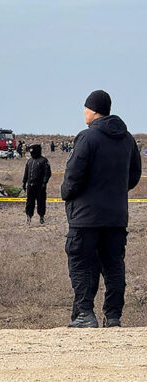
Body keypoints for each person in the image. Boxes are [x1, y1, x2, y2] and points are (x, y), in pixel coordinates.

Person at [61, 90, 141, 328]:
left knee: (82, 264)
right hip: (116, 217)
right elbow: (134, 175)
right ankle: (113, 316)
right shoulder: (127, 139)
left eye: (85, 108)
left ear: (93, 110)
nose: (84, 112)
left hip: (86, 218)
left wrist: (67, 193)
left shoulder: (87, 138)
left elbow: (74, 174)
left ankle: (85, 314)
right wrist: (115, 192)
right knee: (114, 265)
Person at [22, 144, 51, 225]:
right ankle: (28, 217)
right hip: (30, 186)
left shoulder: (43, 161)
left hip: (40, 186)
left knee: (41, 202)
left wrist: (44, 183)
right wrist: (24, 182)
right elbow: (26, 173)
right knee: (29, 202)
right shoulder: (29, 161)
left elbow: (47, 173)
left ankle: (41, 216)